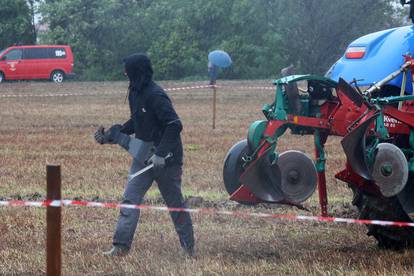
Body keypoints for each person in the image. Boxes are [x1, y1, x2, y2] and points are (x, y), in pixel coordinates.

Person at [94, 53, 195, 257]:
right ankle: (120, 246)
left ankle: (188, 248)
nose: (124, 73)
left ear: (136, 71)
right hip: (143, 157)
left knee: (175, 205)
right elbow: (137, 121)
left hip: (167, 160)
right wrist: (111, 136)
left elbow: (174, 125)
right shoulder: (135, 92)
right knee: (130, 200)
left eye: (127, 70)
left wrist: (160, 153)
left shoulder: (155, 95)